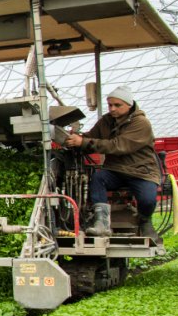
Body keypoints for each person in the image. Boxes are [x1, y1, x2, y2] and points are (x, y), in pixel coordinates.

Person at [63, 85, 162, 247]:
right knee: (98, 178)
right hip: (115, 170)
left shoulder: (141, 123)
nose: (112, 109)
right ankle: (101, 222)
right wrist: (74, 140)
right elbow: (91, 137)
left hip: (141, 171)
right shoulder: (106, 121)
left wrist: (84, 142)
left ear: (129, 105)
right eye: (110, 105)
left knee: (147, 200)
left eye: (117, 105)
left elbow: (118, 146)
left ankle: (145, 220)